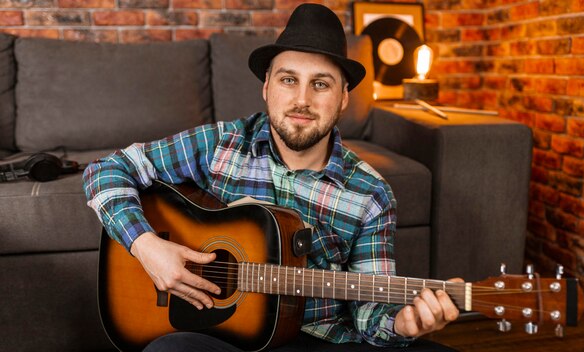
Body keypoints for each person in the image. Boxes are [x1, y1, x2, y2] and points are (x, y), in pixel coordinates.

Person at [83, 4, 461, 352]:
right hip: (225, 335)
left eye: (321, 84)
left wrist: (405, 323)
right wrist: (147, 246)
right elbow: (108, 168)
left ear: (344, 97)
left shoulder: (370, 194)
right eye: (288, 80)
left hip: (320, 339)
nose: (302, 100)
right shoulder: (222, 144)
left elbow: (370, 317)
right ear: (266, 87)